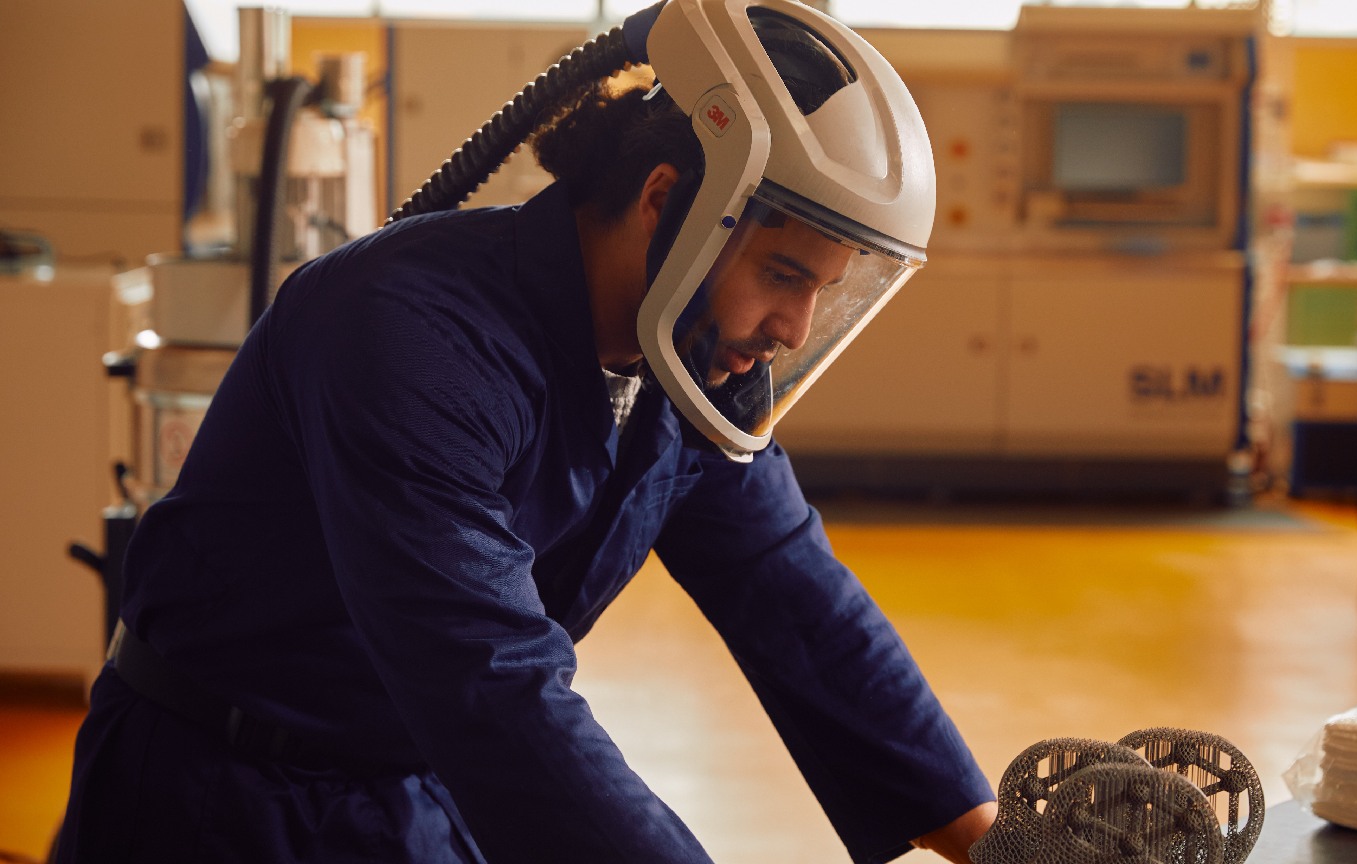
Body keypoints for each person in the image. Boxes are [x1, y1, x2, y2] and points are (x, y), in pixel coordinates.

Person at [53, 1, 998, 861]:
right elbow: (495, 684)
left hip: (413, 787)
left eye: (823, 291)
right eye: (785, 275)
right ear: (668, 205)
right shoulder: (404, 332)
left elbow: (796, 599)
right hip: (216, 800)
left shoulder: (685, 360)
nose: (792, 330)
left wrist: (998, 847)